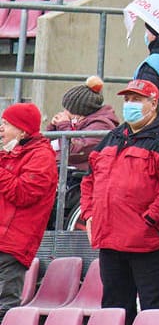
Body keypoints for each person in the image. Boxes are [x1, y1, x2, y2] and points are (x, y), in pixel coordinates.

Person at [82, 80, 159, 324]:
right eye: (127, 99)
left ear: (153, 103)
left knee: (155, 312)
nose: (130, 104)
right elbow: (89, 180)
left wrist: (149, 221)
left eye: (137, 99)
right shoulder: (114, 136)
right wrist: (89, 215)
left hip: (151, 242)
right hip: (111, 240)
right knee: (114, 310)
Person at [0, 101, 55, 310]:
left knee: (5, 305)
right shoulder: (11, 154)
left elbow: (23, 194)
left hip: (12, 243)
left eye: (6, 123)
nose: (1, 128)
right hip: (4, 240)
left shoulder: (41, 156)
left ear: (22, 130)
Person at [49, 79, 115, 220]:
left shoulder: (101, 125)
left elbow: (74, 151)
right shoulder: (79, 122)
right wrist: (53, 127)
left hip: (79, 175)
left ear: (77, 111)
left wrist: (64, 126)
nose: (64, 112)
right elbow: (50, 142)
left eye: (66, 108)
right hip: (66, 170)